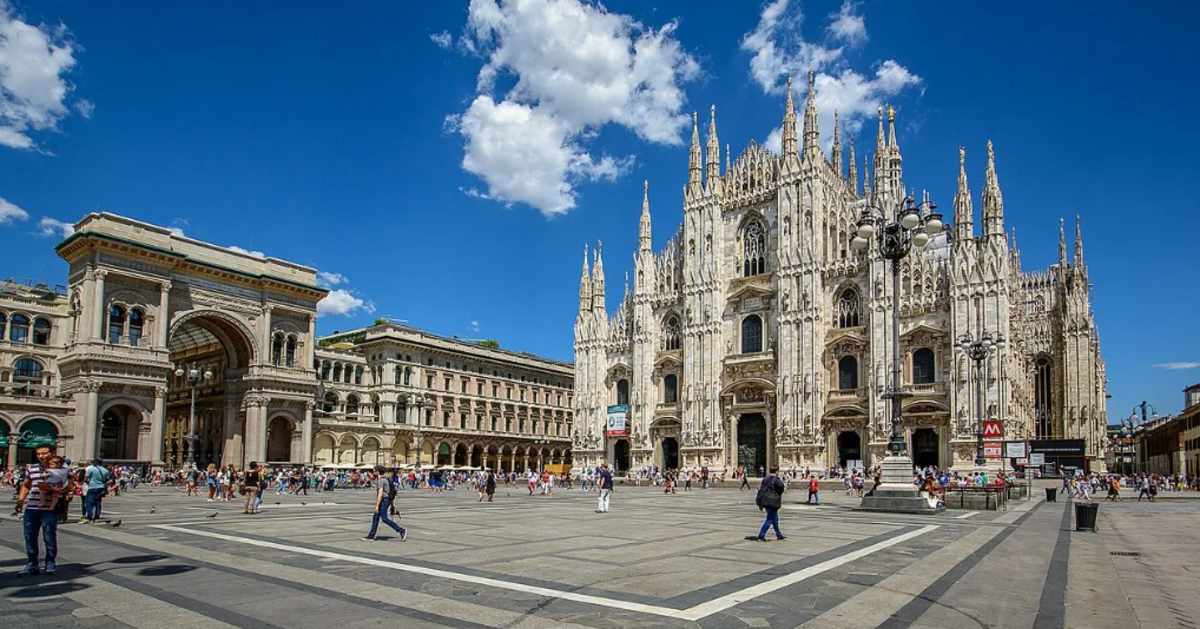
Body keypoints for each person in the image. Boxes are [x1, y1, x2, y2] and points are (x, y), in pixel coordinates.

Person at [15, 444, 63, 575]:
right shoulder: (32, 468)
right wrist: (20, 501)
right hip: (32, 507)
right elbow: (26, 486)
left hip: (50, 509)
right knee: (29, 536)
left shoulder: (61, 469)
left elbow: (69, 487)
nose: (41, 456)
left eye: (44, 453)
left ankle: (50, 562)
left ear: (53, 453)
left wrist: (56, 488)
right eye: (38, 454)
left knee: (49, 536)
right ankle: (32, 563)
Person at [363, 465, 407, 541]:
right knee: (376, 517)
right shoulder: (386, 479)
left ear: (377, 472)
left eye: (374, 471)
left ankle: (400, 530)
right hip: (387, 500)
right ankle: (371, 535)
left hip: (384, 500)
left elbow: (380, 494)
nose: (373, 473)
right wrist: (392, 504)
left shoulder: (380, 481)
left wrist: (377, 506)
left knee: (384, 518)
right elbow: (392, 493)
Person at [755, 467, 787, 541]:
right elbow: (781, 486)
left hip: (765, 500)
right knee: (769, 519)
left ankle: (779, 534)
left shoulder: (766, 478)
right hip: (772, 501)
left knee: (775, 518)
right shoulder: (776, 479)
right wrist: (778, 493)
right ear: (776, 471)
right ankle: (761, 535)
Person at [82, 458, 111, 523]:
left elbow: (86, 479)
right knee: (98, 502)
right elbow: (107, 480)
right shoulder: (106, 470)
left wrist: (88, 483)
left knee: (89, 503)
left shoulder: (91, 469)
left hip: (92, 487)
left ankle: (89, 517)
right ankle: (96, 516)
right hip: (101, 488)